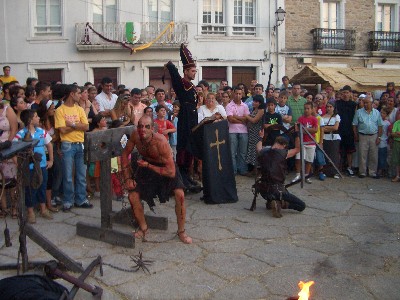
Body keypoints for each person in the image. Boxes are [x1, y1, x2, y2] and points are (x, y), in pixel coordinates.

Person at [121, 115, 192, 244]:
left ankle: (181, 231)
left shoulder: (161, 142)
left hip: (165, 167)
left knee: (179, 194)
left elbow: (171, 172)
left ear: (152, 128)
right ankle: (143, 228)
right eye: (140, 126)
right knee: (132, 195)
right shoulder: (135, 136)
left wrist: (149, 165)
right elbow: (125, 154)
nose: (143, 129)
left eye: (147, 127)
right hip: (146, 166)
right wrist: (127, 178)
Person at [165, 44, 201, 192]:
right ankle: (182, 178)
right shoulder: (182, 84)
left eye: (195, 71)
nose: (194, 73)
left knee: (191, 147)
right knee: (184, 146)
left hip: (192, 117)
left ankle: (187, 176)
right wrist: (171, 66)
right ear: (185, 71)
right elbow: (174, 75)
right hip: (186, 116)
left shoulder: (191, 86)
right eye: (192, 71)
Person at [55, 84, 93, 211]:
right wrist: (77, 125)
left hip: (80, 144)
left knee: (81, 174)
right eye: (78, 93)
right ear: (72, 94)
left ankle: (81, 199)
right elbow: (62, 130)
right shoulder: (60, 110)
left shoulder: (80, 109)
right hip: (67, 145)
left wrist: (71, 124)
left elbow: (86, 127)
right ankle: (68, 200)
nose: (80, 95)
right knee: (68, 175)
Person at [14, 110, 54, 224]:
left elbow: (49, 145)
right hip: (29, 167)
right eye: (36, 116)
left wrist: (51, 160)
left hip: (42, 165)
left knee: (42, 185)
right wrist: (19, 164)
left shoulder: (41, 131)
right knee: (30, 189)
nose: (38, 118)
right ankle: (30, 211)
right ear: (30, 120)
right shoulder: (21, 134)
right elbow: (13, 150)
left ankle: (43, 208)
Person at [256, 134, 306, 218]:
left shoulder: (263, 152)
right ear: (284, 145)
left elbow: (258, 147)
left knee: (278, 192)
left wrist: (260, 137)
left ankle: (271, 201)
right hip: (277, 191)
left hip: (263, 191)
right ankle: (281, 203)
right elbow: (298, 149)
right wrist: (297, 134)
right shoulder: (284, 153)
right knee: (302, 206)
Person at [352, 95, 382, 178]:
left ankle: (372, 172)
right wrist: (356, 135)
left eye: (367, 103)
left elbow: (380, 125)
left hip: (374, 135)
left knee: (373, 155)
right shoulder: (359, 112)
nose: (365, 104)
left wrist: (379, 137)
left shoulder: (377, 112)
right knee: (362, 154)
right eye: (364, 103)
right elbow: (354, 124)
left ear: (371, 103)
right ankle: (362, 172)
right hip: (362, 135)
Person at [292, 102, 318, 183]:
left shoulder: (314, 119)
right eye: (305, 108)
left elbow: (315, 129)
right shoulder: (301, 119)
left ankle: (307, 175)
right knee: (298, 158)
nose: (306, 110)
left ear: (311, 109)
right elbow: (297, 129)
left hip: (311, 142)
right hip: (301, 141)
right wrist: (304, 130)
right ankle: (298, 174)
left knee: (309, 160)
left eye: (308, 108)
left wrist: (303, 129)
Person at [0, 101, 18, 219]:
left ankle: (14, 208)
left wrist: (8, 143)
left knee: (11, 181)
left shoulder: (7, 109)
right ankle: (3, 208)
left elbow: (14, 128)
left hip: (7, 146)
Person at [226, 87, 250, 175]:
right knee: (232, 152)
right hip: (232, 131)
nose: (238, 95)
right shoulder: (229, 105)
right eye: (236, 93)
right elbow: (230, 119)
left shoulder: (245, 106)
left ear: (242, 94)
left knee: (243, 152)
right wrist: (242, 119)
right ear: (233, 93)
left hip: (244, 131)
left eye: (240, 94)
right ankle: (233, 170)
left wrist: (236, 116)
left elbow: (247, 119)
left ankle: (242, 170)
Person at [336, 85, 357, 176]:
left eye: (347, 92)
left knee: (349, 151)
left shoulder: (354, 105)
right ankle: (339, 167)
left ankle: (349, 167)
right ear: (341, 94)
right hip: (339, 129)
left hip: (349, 130)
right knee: (339, 150)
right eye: (344, 93)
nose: (345, 94)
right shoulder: (337, 103)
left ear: (350, 93)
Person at [245, 94, 265, 174]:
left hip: (257, 132)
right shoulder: (254, 110)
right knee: (251, 149)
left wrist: (246, 116)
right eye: (254, 101)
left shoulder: (261, 110)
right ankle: (253, 168)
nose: (254, 102)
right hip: (251, 132)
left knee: (256, 150)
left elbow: (254, 120)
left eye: (256, 101)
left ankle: (256, 169)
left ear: (260, 103)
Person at [322, 102, 341, 178]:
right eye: (327, 107)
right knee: (326, 154)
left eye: (330, 107)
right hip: (325, 137)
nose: (329, 108)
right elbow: (321, 128)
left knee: (334, 155)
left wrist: (326, 128)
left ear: (333, 107)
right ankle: (326, 171)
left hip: (334, 137)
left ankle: (334, 172)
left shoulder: (336, 116)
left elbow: (335, 127)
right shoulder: (323, 117)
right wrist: (329, 128)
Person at [377, 108, 390, 177]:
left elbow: (388, 132)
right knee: (377, 156)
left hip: (384, 141)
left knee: (382, 156)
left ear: (387, 115)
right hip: (377, 140)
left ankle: (381, 170)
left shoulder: (387, 123)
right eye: (381, 113)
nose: (382, 114)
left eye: (384, 113)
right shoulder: (377, 121)